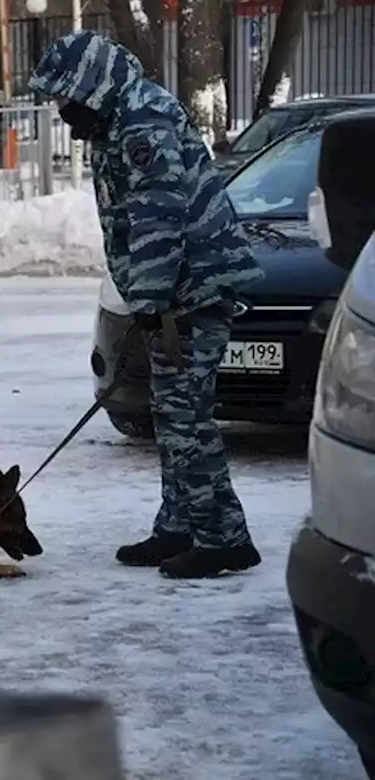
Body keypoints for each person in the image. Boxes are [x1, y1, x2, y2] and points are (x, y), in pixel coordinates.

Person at [28, 30, 264, 580]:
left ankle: (224, 537)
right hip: (174, 290)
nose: (63, 110)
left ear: (90, 85)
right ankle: (179, 526)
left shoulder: (143, 121)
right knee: (169, 410)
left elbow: (159, 216)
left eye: (66, 98)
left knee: (185, 415)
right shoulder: (116, 121)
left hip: (194, 288)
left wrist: (151, 300)